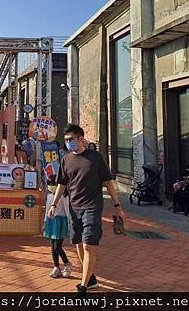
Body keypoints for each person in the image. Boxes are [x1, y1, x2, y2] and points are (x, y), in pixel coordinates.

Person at [47, 123, 124, 294]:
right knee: (79, 244)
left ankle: (83, 286)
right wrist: (54, 204)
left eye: (71, 139)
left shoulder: (95, 157)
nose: (69, 143)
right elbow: (62, 184)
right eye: (66, 140)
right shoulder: (66, 159)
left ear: (81, 139)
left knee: (89, 244)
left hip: (92, 207)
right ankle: (91, 279)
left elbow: (109, 182)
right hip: (73, 207)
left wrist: (117, 205)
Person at [43, 179, 71, 278]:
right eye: (49, 184)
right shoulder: (49, 196)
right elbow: (47, 209)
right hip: (51, 221)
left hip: (61, 221)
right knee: (53, 246)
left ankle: (67, 263)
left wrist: (69, 223)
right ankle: (56, 267)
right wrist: (45, 221)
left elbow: (67, 210)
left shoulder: (64, 197)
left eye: (53, 184)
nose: (51, 186)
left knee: (57, 246)